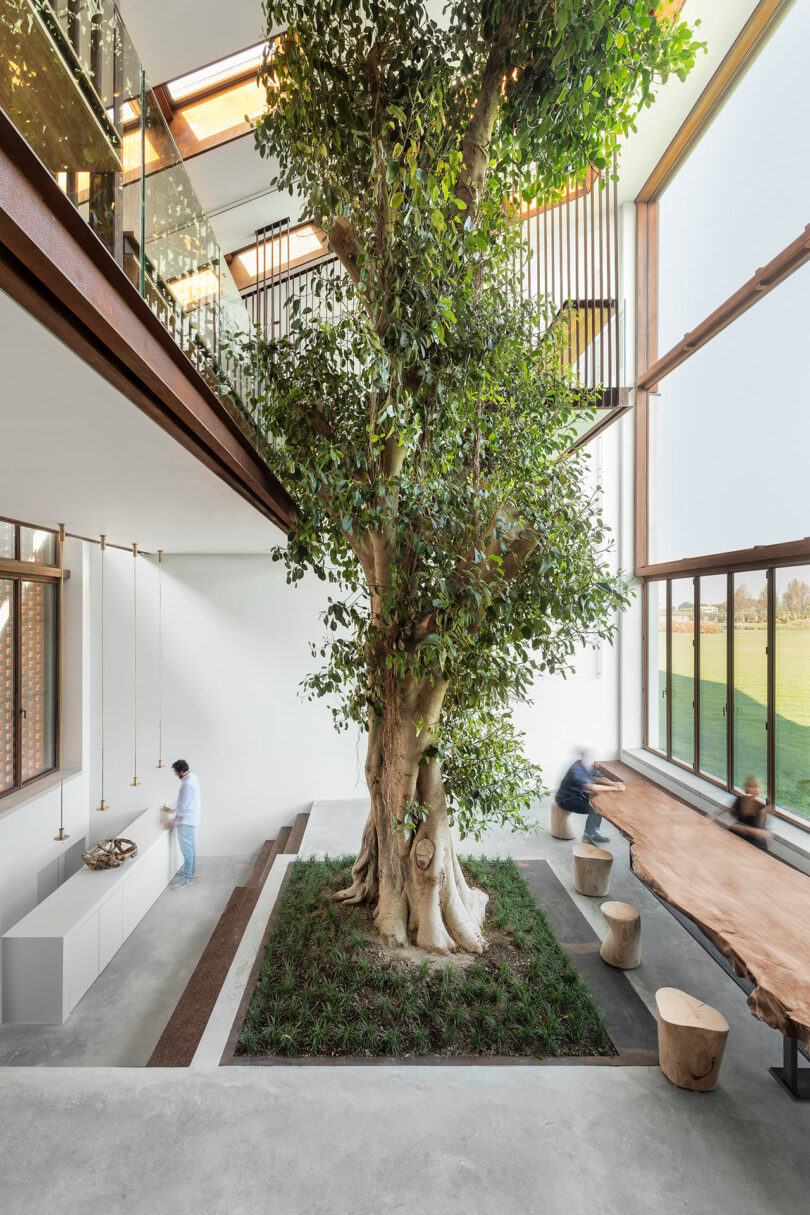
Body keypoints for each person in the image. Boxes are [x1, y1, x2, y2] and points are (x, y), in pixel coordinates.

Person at [555, 749, 625, 844]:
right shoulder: (576, 769)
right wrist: (615, 788)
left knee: (600, 805)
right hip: (566, 799)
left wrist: (614, 783)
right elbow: (591, 786)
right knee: (596, 809)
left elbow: (598, 777)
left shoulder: (587, 765)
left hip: (578, 794)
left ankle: (594, 832)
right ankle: (587, 837)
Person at [169, 759, 201, 889]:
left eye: (176, 772)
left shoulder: (186, 784)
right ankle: (191, 871)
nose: (175, 774)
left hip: (185, 821)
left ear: (181, 771)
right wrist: (172, 809)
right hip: (192, 819)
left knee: (186, 851)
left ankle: (187, 879)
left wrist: (174, 820)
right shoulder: (194, 777)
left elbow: (183, 805)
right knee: (191, 847)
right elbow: (187, 801)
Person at [727, 776, 771, 852]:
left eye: (753, 787)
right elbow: (729, 812)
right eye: (749, 786)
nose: (751, 789)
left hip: (754, 840)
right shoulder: (739, 800)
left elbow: (764, 833)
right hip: (739, 834)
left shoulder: (761, 807)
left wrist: (743, 828)